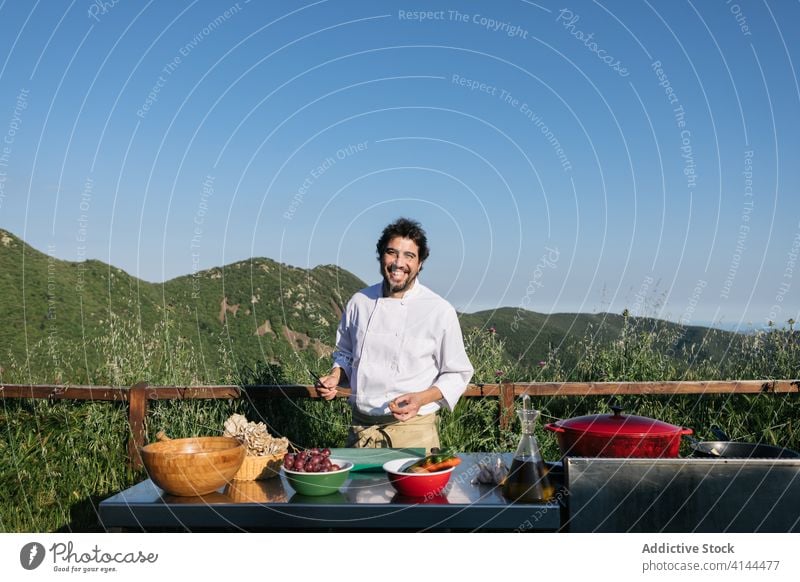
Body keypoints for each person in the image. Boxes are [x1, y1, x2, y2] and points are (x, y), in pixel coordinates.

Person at [315, 218, 474, 451]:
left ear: (420, 264)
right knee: (360, 490)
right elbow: (346, 353)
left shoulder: (439, 311)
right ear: (381, 257)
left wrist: (421, 398)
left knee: (411, 490)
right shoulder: (359, 302)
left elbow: (457, 373)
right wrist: (335, 377)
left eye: (409, 256)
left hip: (414, 433)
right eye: (392, 253)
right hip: (362, 432)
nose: (399, 263)